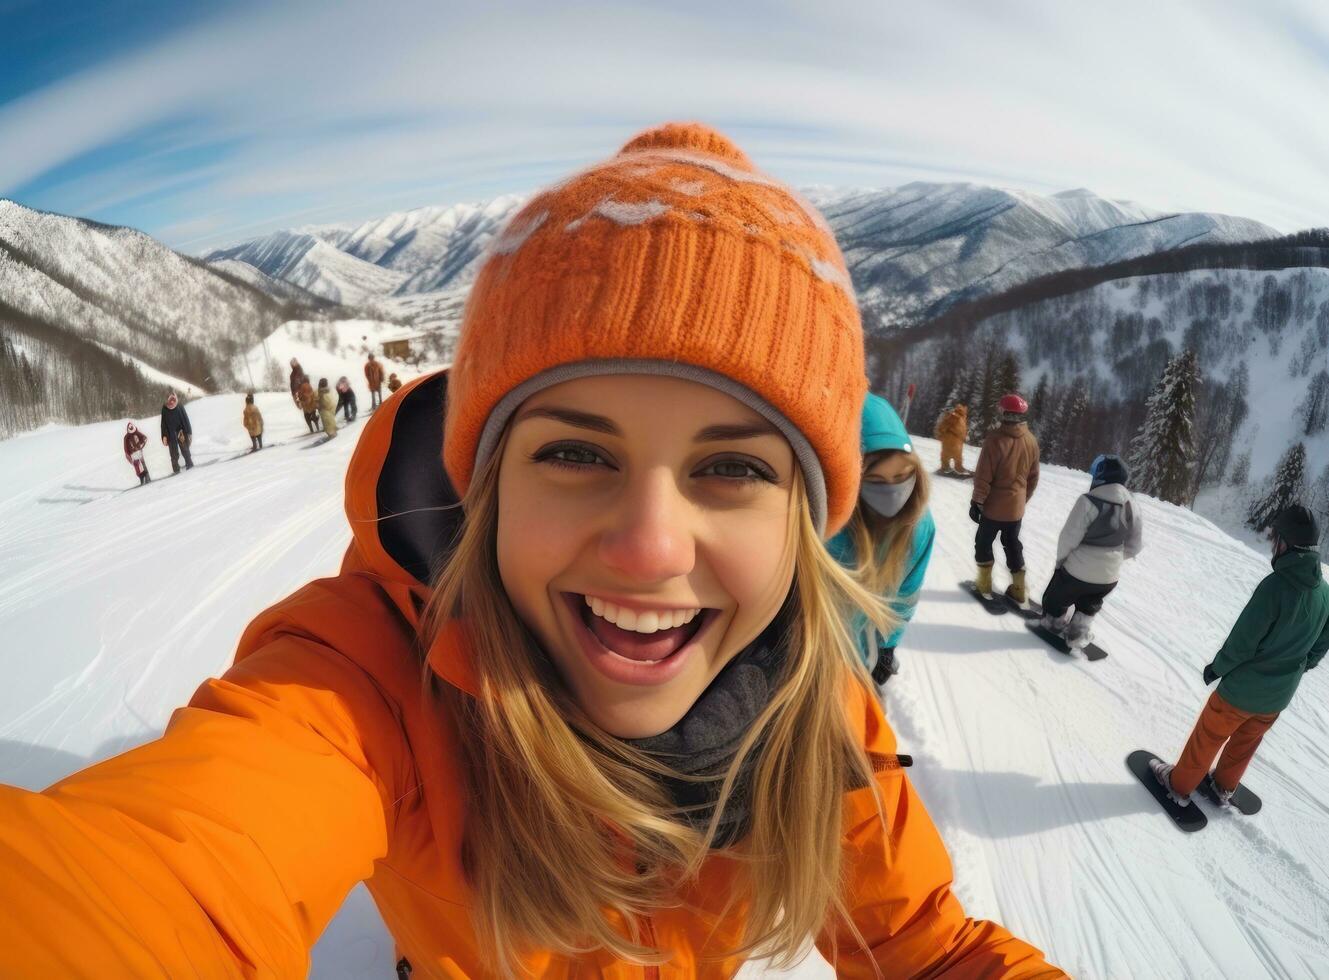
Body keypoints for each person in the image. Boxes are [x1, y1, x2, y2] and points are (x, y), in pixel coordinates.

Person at [0, 123, 1063, 978]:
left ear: (804, 523)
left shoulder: (815, 714)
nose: (649, 548)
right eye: (572, 451)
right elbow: (152, 880)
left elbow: (929, 945)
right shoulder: (375, 686)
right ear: (484, 487)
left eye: (732, 468)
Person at [1151, 505, 1328, 807]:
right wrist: (1299, 667)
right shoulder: (1324, 592)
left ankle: (1178, 785)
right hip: (1277, 697)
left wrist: (1217, 668)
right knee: (1244, 744)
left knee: (1208, 737)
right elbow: (1320, 644)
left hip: (1241, 692)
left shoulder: (1276, 587)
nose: (1274, 543)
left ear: (1284, 543)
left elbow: (1243, 642)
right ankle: (1223, 787)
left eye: (1276, 538)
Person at [827, 393, 935, 685]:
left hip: (858, 657)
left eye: (903, 476)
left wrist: (888, 645)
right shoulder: (828, 524)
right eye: (875, 481)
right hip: (808, 651)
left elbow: (904, 596)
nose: (894, 492)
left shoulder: (918, 527)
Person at [1038, 454, 1142, 648]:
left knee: (1058, 594)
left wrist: (1061, 563)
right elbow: (1135, 545)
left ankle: (1052, 621)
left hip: (1078, 572)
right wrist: (1113, 558)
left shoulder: (1088, 501)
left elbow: (1069, 537)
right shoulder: (1132, 506)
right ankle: (1078, 631)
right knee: (1091, 601)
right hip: (1109, 578)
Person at [970, 393, 1039, 603]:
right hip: (1016, 509)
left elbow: (983, 475)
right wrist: (1020, 500)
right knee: (1012, 544)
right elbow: (1033, 478)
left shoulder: (995, 440)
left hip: (992, 508)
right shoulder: (1031, 441)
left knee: (983, 543)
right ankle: (1019, 589)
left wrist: (977, 502)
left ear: (1004, 413)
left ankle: (983, 584)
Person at [159, 391, 194, 473]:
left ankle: (189, 463)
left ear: (175, 399)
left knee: (185, 449)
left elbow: (186, 419)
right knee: (173, 453)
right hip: (170, 434)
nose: (171, 402)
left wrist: (189, 432)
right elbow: (163, 424)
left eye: (173, 399)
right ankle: (176, 469)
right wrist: (164, 436)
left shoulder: (179, 406)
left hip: (180, 431)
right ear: (167, 400)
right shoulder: (164, 409)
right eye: (170, 400)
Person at [935, 402, 970, 475]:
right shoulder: (955, 416)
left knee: (953, 455)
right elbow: (943, 426)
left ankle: (951, 467)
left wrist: (963, 437)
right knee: (950, 454)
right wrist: (943, 432)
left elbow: (961, 430)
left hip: (957, 440)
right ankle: (949, 467)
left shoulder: (961, 418)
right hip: (951, 439)